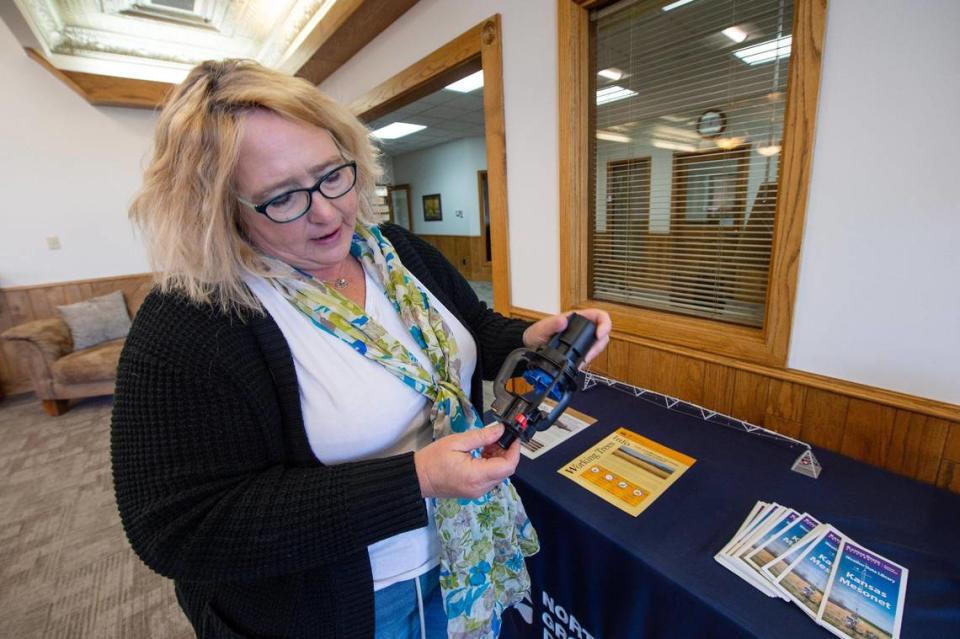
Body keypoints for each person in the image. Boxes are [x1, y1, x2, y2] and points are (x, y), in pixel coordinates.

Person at [111, 59, 611, 639]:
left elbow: (465, 330)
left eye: (331, 176)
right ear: (218, 209)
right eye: (281, 199)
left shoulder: (392, 250)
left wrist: (526, 338)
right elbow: (177, 528)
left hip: (465, 554)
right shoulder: (192, 318)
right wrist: (413, 481)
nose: (325, 213)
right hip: (342, 606)